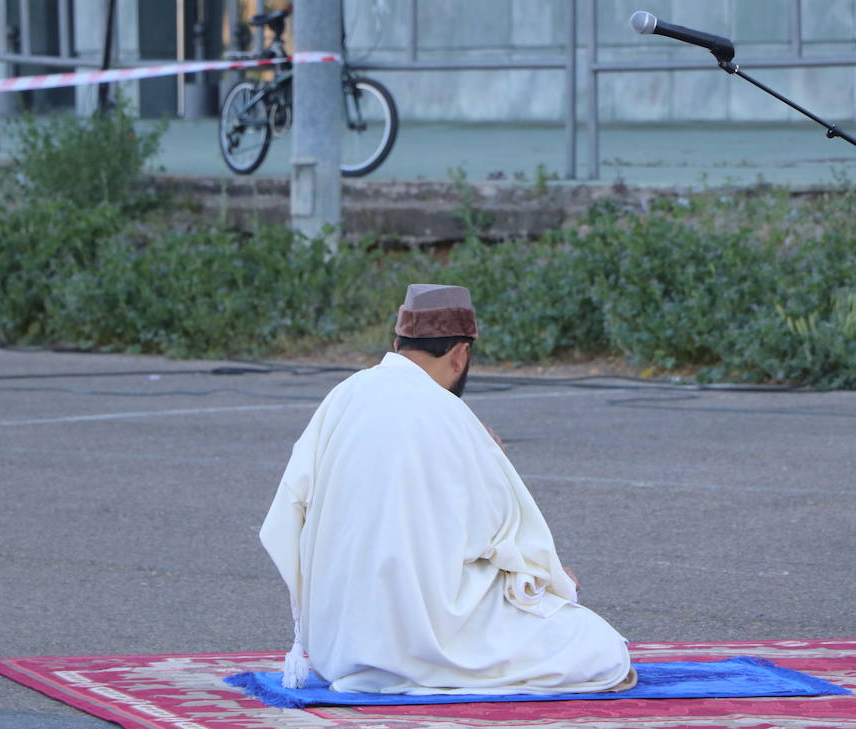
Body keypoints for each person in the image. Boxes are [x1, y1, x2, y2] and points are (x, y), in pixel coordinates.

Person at [259, 283, 636, 695]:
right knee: (601, 649)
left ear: (398, 342)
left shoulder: (342, 396)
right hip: (421, 641)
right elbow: (498, 534)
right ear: (461, 354)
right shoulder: (450, 415)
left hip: (338, 645)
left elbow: (286, 516)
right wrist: (548, 577)